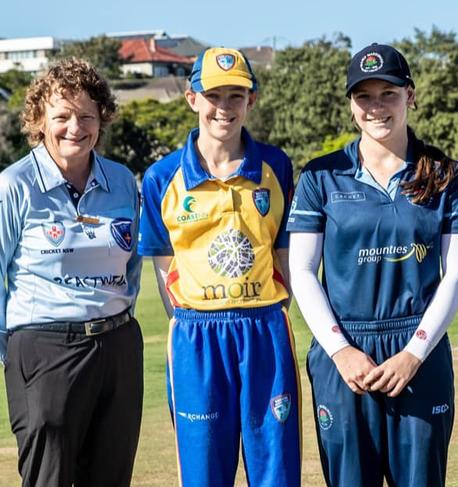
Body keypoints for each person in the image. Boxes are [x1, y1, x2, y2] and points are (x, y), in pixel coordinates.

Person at [288, 43, 458, 486]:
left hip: (418, 350)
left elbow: (457, 274)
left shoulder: (446, 174)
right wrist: (340, 351)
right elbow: (302, 271)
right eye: (364, 96)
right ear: (351, 103)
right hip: (344, 353)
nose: (376, 108)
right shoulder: (320, 176)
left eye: (388, 94)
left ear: (410, 95)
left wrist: (414, 353)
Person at [137, 47, 300, 487]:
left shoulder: (276, 166)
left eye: (235, 95)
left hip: (265, 329)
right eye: (213, 95)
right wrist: (193, 320)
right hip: (197, 335)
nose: (223, 108)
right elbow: (163, 267)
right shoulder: (161, 177)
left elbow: (284, 254)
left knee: (276, 471)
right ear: (192, 98)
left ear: (251, 100)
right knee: (204, 473)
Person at [0, 58, 143, 487]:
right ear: (39, 121)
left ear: (102, 119)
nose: (74, 128)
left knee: (111, 476)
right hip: (43, 349)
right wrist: (14, 355)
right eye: (61, 116)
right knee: (50, 478)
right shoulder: (14, 185)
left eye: (87, 116)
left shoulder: (121, 181)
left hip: (117, 345)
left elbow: (132, 264)